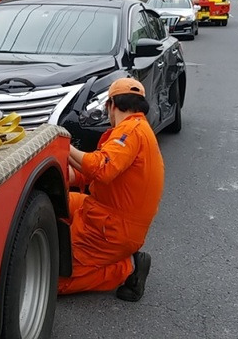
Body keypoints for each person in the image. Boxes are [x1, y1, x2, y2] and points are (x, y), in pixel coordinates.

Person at [57, 77, 164, 302]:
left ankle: (128, 267)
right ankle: (67, 246)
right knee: (60, 202)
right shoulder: (138, 129)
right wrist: (65, 176)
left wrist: (62, 144)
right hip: (105, 212)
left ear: (111, 104)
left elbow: (102, 168)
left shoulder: (130, 132)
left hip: (111, 227)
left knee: (56, 280)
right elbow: (102, 172)